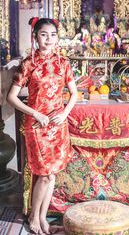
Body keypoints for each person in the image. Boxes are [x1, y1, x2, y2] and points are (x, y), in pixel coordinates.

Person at [7, 18, 77, 235]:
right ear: (36, 37)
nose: (49, 39)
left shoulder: (63, 63)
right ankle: (33, 217)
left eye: (53, 34)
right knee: (45, 174)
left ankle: (43, 219)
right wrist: (35, 113)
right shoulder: (29, 64)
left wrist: (64, 113)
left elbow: (74, 93)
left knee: (51, 175)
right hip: (37, 126)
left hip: (57, 125)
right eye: (44, 34)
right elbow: (12, 97)